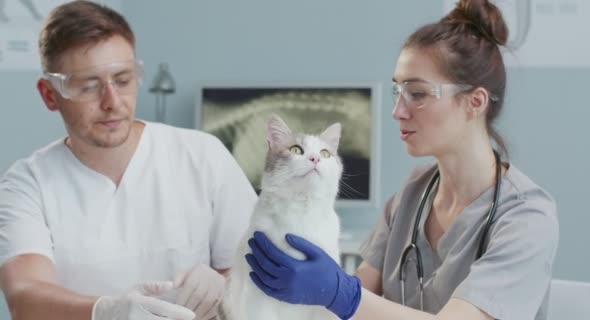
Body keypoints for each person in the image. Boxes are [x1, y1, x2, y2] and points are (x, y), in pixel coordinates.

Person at [244, 0, 559, 319]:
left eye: (418, 94)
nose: (397, 112)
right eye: (397, 92)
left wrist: (340, 293)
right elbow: (353, 299)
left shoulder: (527, 218)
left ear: (474, 102)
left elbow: (352, 299)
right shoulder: (412, 196)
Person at [0, 1, 256, 320]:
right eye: (89, 86)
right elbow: (26, 297)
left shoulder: (203, 156)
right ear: (50, 94)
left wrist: (223, 284)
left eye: (122, 79)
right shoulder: (28, 184)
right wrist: (107, 311)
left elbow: (259, 274)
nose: (112, 102)